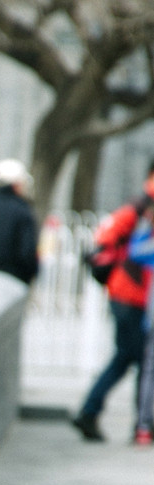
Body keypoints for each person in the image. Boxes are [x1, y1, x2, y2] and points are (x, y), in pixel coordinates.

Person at [71, 162, 154, 442]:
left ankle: (101, 414)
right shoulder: (144, 206)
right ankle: (133, 423)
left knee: (132, 357)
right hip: (131, 294)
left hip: (126, 294)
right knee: (134, 357)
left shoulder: (138, 204)